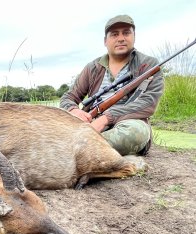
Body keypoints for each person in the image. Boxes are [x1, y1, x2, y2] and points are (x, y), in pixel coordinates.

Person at [60, 14, 164, 155]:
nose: (121, 38)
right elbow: (68, 97)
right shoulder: (93, 67)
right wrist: (73, 110)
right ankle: (85, 150)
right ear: (105, 41)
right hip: (92, 125)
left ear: (134, 36)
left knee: (136, 134)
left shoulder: (149, 65)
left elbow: (148, 103)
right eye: (114, 34)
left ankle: (74, 149)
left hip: (128, 123)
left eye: (126, 33)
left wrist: (107, 117)